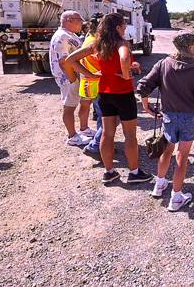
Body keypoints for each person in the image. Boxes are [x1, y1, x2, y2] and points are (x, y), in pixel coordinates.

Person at [66, 13, 150, 184]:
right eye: (124, 27)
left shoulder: (98, 44)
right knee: (130, 136)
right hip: (123, 94)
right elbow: (124, 57)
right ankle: (134, 173)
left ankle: (109, 171)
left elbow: (71, 59)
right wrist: (126, 75)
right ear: (118, 27)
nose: (125, 29)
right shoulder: (121, 43)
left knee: (107, 133)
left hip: (105, 93)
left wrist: (89, 75)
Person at [137, 30, 194, 212]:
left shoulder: (164, 63)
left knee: (167, 149)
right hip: (190, 116)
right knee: (182, 156)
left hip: (169, 115)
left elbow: (144, 85)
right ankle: (176, 197)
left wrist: (145, 106)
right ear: (191, 47)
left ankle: (159, 185)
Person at [49, 10, 94, 146]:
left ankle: (84, 129)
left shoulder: (70, 35)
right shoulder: (62, 36)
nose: (81, 23)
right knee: (69, 106)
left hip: (76, 75)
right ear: (69, 20)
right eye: (79, 20)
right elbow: (64, 61)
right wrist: (74, 79)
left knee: (84, 102)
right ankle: (72, 136)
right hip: (68, 77)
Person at [79, 15, 104, 158]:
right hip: (97, 84)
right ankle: (96, 145)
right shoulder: (95, 43)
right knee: (105, 118)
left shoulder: (88, 39)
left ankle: (101, 143)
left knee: (102, 117)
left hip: (91, 84)